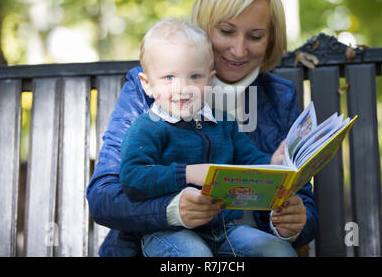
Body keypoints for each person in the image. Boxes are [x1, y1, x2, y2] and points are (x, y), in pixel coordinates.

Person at [87, 0, 319, 257]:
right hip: (165, 243)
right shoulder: (152, 87)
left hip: (239, 238)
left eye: (255, 36)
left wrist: (293, 222)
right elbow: (104, 196)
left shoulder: (277, 98)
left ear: (270, 39)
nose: (238, 50)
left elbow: (301, 201)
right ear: (204, 26)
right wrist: (171, 209)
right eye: (226, 31)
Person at [119, 17, 297, 257]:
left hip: (224, 230)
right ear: (147, 84)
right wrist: (188, 173)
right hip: (168, 231)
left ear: (210, 80)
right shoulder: (147, 127)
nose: (182, 88)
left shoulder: (224, 124)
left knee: (278, 251)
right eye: (169, 77)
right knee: (195, 255)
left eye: (194, 77)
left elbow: (251, 162)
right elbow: (132, 178)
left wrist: (273, 166)